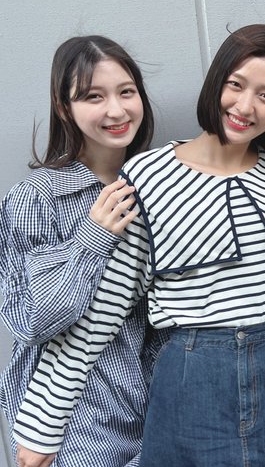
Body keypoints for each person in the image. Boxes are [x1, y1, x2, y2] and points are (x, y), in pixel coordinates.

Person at [11, 24, 265, 467]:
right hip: (194, 379)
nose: (245, 106)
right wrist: (42, 427)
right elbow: (102, 312)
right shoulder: (148, 176)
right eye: (235, 85)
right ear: (215, 81)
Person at [0, 35, 157, 467]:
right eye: (93, 96)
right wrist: (92, 239)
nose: (116, 110)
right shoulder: (38, 198)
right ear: (63, 105)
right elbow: (31, 321)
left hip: (153, 410)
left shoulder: (155, 188)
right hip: (69, 425)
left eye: (126, 92)